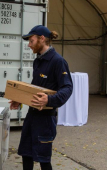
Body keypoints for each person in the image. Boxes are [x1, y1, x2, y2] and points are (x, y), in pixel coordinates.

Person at [9, 25, 73, 170]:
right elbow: (35, 88)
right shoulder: (38, 60)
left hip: (45, 119)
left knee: (43, 159)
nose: (29, 45)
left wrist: (49, 100)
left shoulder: (58, 61)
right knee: (26, 154)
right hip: (32, 116)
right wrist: (20, 99)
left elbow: (67, 88)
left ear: (42, 39)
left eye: (31, 41)